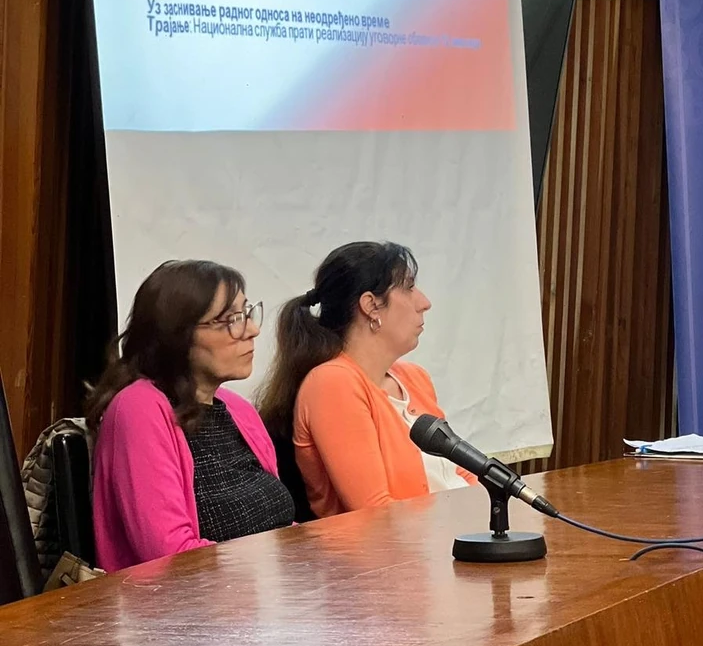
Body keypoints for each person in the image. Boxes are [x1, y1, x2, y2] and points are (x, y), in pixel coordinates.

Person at [88, 260, 295, 571]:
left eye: (247, 313)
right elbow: (170, 557)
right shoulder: (139, 408)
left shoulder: (238, 410)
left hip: (262, 589)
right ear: (177, 334)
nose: (252, 330)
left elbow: (282, 526)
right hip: (189, 599)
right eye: (231, 320)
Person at [257, 241, 476, 518]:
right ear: (371, 305)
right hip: (403, 544)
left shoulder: (414, 378)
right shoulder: (332, 383)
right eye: (409, 287)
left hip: (453, 533)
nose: (424, 303)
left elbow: (463, 473)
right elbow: (375, 513)